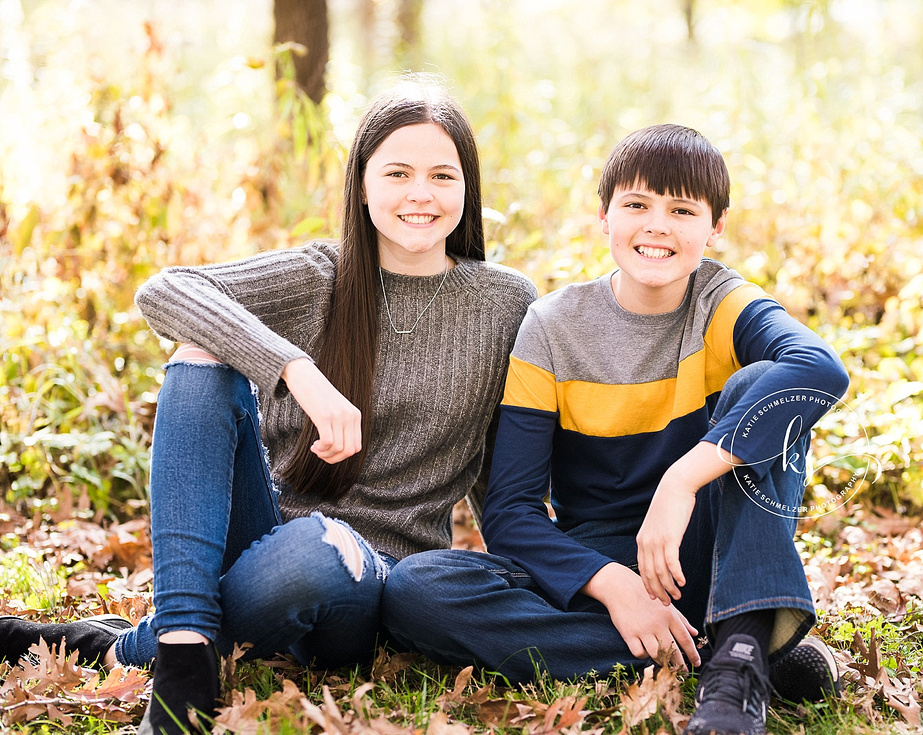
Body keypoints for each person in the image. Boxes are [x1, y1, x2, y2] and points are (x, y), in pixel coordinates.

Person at [0, 76, 537, 735]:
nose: (419, 194)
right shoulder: (320, 275)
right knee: (200, 358)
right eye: (397, 172)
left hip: (368, 582)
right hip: (260, 542)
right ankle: (183, 662)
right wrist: (294, 368)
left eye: (441, 175)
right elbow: (166, 290)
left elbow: (501, 469)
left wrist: (560, 573)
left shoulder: (506, 302)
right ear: (362, 183)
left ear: (467, 188)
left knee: (318, 549)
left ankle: (126, 642)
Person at [381, 124, 849, 735]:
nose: (657, 226)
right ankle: (727, 646)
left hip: (709, 544)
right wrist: (616, 587)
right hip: (599, 558)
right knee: (419, 588)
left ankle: (735, 675)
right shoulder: (551, 328)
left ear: (715, 228)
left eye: (681, 210)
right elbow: (512, 512)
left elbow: (818, 370)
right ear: (604, 217)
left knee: (759, 387)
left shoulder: (722, 302)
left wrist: (682, 481)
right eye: (636, 205)